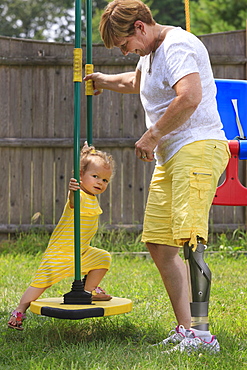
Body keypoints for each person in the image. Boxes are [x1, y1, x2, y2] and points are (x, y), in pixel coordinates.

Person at [83, 0, 230, 353]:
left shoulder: (177, 45)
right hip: (171, 154)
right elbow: (135, 83)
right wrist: (102, 80)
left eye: (123, 44)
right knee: (160, 245)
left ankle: (203, 335)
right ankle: (186, 329)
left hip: (197, 146)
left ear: (139, 27)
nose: (124, 52)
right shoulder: (148, 54)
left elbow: (190, 96)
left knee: (191, 239)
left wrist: (152, 135)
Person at [8, 143, 115, 330]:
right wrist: (72, 190)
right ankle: (19, 311)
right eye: (95, 176)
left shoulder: (92, 196)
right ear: (80, 176)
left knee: (103, 258)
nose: (100, 182)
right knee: (40, 284)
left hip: (80, 252)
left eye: (105, 180)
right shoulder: (80, 195)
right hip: (59, 254)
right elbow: (73, 202)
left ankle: (88, 291)